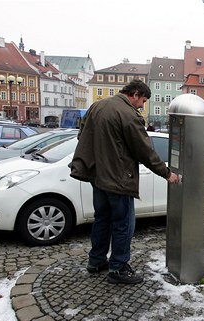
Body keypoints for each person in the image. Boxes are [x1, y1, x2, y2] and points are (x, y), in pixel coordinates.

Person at [70, 79, 180, 284]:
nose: (142, 106)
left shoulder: (97, 106)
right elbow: (145, 151)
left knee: (102, 219)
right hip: (119, 179)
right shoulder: (128, 114)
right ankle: (118, 268)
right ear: (135, 94)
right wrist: (166, 173)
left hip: (97, 176)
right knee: (123, 225)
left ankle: (96, 261)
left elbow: (82, 135)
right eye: (143, 100)